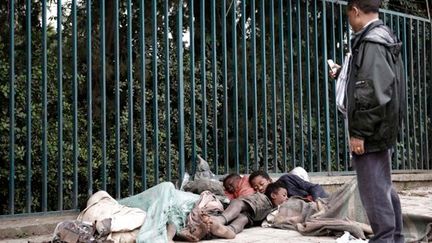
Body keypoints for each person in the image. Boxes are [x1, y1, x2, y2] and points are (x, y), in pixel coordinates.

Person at [329, 0, 405, 242]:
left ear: (355, 11)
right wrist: (344, 74)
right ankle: (395, 236)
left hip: (370, 130)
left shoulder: (371, 42)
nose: (349, 22)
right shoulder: (382, 36)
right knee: (382, 185)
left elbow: (370, 91)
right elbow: (371, 80)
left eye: (348, 16)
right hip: (380, 126)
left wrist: (359, 132)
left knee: (373, 189)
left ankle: (385, 238)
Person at [205, 181, 288, 239]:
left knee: (238, 203)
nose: (287, 198)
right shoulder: (269, 204)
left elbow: (241, 203)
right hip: (255, 216)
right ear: (273, 195)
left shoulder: (263, 199)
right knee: (243, 218)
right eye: (284, 195)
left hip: (263, 205)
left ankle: (220, 219)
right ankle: (230, 230)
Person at [249, 170, 328, 201]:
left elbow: (315, 187)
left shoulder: (287, 179)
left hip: (319, 200)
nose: (259, 188)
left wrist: (315, 200)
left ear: (270, 180)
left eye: (261, 184)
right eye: (255, 187)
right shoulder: (267, 200)